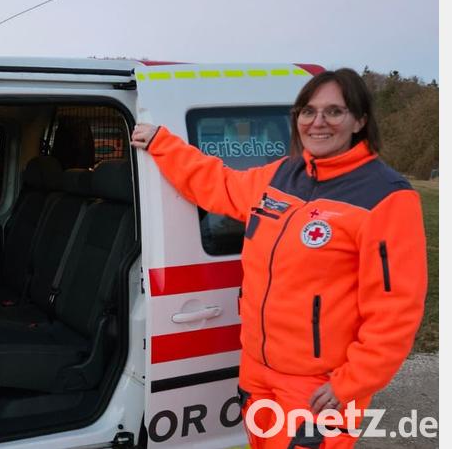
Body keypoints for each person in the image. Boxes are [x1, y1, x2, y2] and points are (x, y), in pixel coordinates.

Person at [131, 68, 427, 448]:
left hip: (318, 384)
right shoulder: (283, 174)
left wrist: (352, 383)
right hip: (258, 370)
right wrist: (162, 143)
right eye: (308, 111)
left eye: (334, 112)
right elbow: (217, 183)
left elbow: (396, 310)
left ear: (360, 120)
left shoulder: (386, 197)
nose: (318, 122)